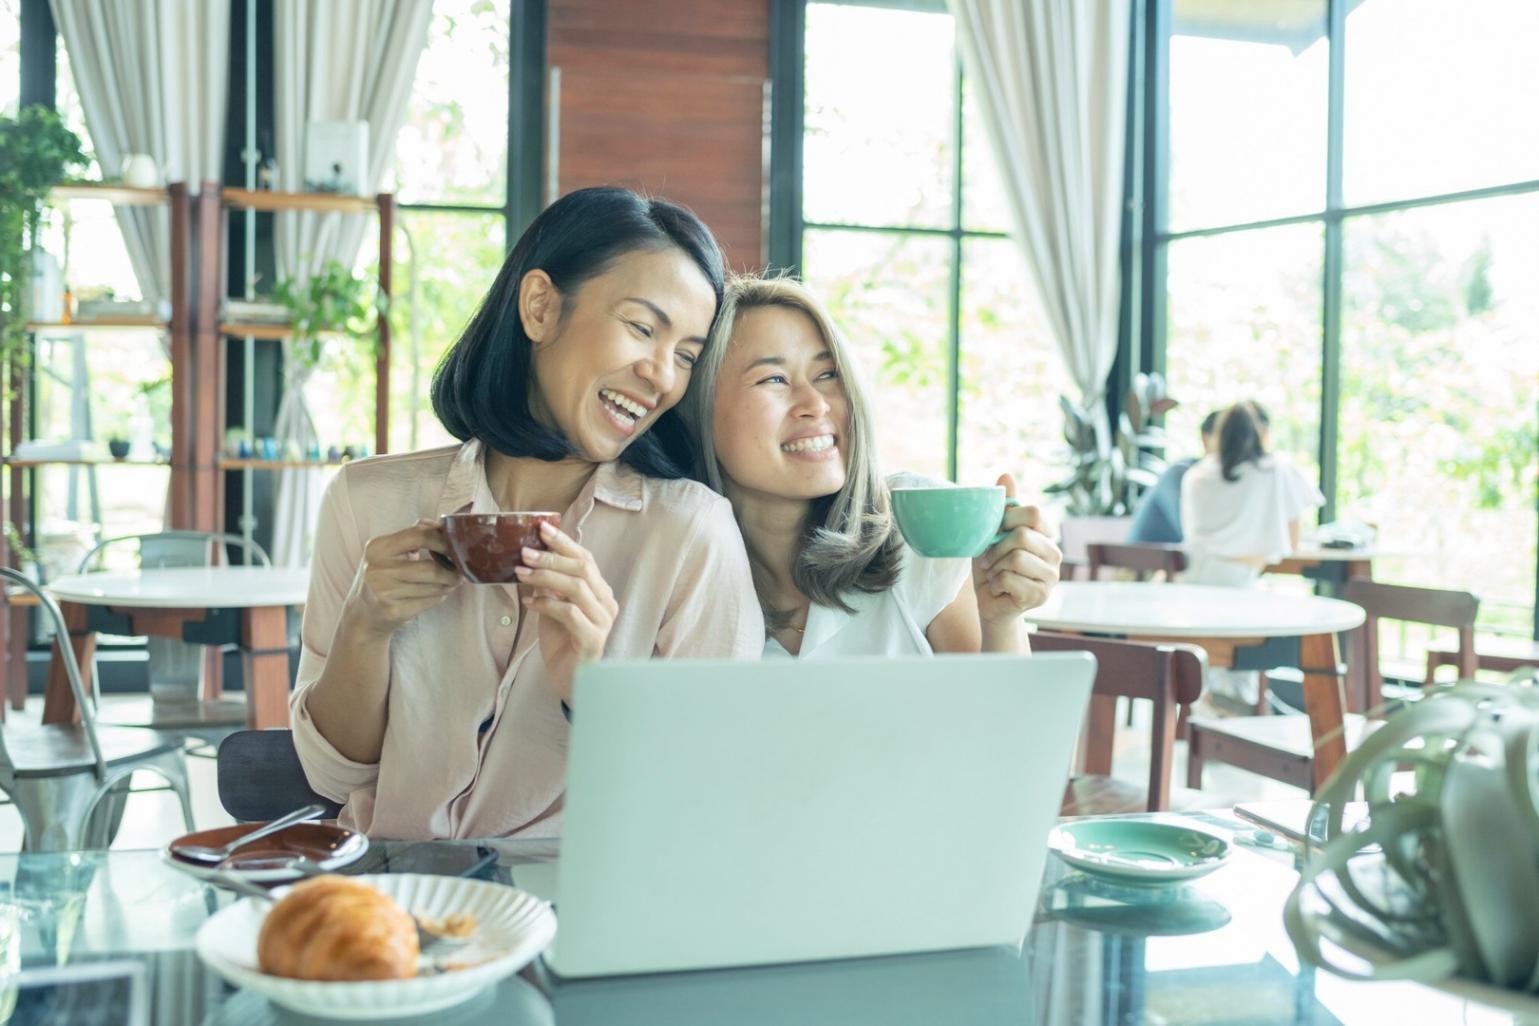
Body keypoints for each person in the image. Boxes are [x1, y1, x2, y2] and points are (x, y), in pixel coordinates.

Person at [291, 187, 764, 840]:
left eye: (686, 355)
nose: (662, 376)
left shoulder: (691, 534)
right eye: (642, 328)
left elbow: (708, 798)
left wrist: (592, 688)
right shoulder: (366, 501)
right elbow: (332, 776)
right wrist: (364, 627)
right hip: (394, 885)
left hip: (576, 890)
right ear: (540, 306)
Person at [681, 274, 1060, 658]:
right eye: (774, 378)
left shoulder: (916, 534)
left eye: (827, 375)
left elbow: (1000, 699)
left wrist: (1002, 620)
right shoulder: (677, 572)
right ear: (698, 408)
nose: (816, 403)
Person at [1180, 401, 1324, 587]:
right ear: (1260, 433)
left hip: (1189, 575)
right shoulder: (1273, 469)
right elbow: (1293, 540)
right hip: (1238, 579)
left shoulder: (1197, 473)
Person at [1125, 410, 1218, 544]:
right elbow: (1194, 531)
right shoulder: (1180, 475)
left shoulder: (1216, 482)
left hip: (1177, 556)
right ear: (1206, 438)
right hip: (1145, 557)